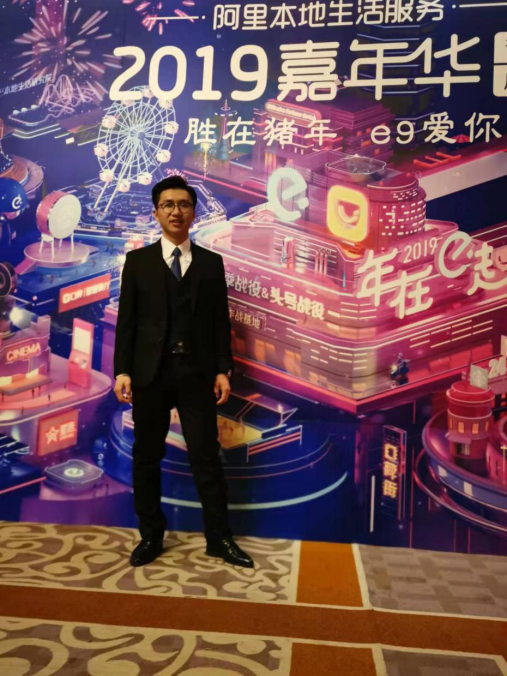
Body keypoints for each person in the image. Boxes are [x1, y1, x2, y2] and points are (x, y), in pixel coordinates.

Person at [113, 175, 253, 569]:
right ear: (156, 213)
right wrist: (122, 371)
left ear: (193, 212)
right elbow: (127, 322)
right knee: (147, 457)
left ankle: (219, 538)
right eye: (168, 205)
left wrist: (223, 369)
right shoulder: (138, 262)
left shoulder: (211, 263)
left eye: (184, 204)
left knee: (206, 457)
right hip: (150, 375)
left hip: (196, 374)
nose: (176, 211)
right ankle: (151, 536)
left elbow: (220, 322)